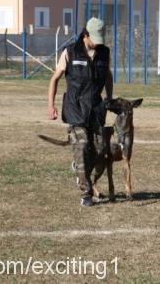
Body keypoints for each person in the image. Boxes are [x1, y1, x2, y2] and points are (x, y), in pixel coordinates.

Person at [47, 18, 113, 207]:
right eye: (95, 39)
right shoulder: (70, 52)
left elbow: (107, 75)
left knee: (101, 151)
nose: (98, 43)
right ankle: (86, 193)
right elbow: (55, 79)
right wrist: (50, 106)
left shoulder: (104, 53)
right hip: (75, 108)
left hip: (96, 108)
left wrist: (109, 98)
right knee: (82, 146)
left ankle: (80, 169)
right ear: (85, 35)